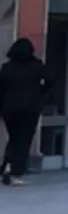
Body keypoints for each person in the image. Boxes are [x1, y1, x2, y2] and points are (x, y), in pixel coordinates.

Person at [0, 37, 48, 186]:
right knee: (23, 141)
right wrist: (41, 93)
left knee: (14, 139)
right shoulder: (36, 66)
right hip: (29, 109)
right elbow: (52, 78)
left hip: (9, 109)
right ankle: (16, 172)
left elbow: (1, 89)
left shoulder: (7, 67)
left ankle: (6, 167)